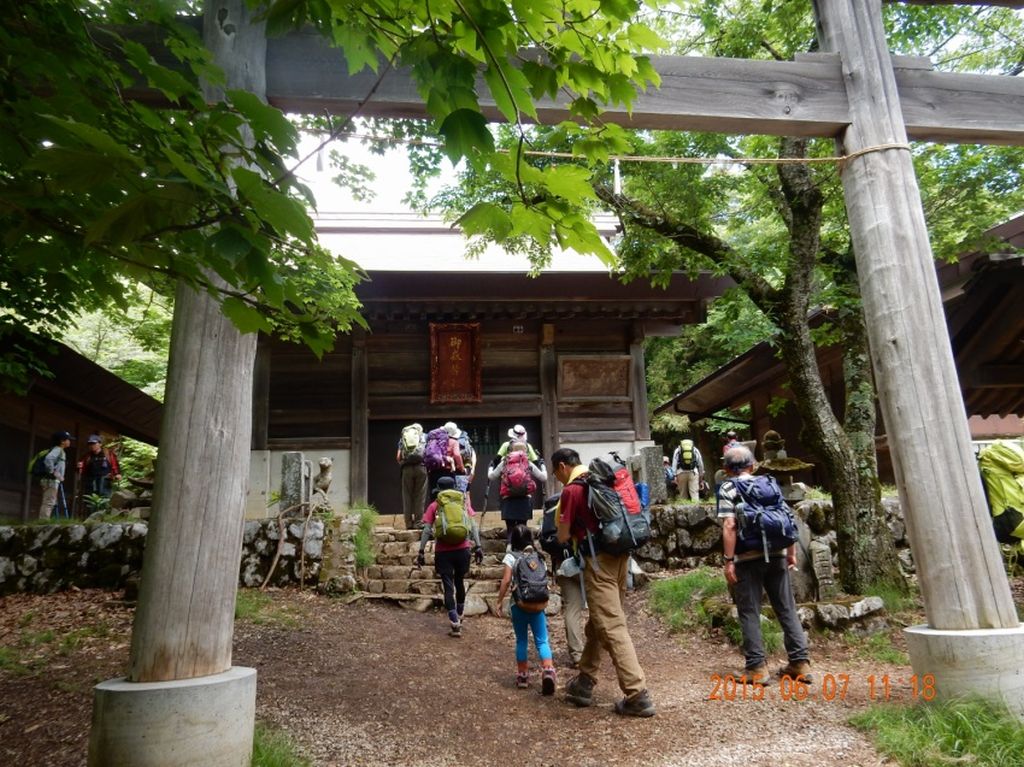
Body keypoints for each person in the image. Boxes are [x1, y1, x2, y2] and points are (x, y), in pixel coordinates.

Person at [551, 447, 656, 717]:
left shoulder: (573, 490)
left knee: (611, 625)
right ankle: (584, 683)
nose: (556, 476)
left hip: (598, 564)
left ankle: (637, 694)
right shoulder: (603, 481)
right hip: (621, 557)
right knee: (600, 621)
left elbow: (562, 536)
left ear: (562, 466)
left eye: (555, 471)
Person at [718, 445, 811, 683]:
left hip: (747, 558)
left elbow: (729, 526)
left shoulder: (728, 487)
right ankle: (800, 663)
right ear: (753, 465)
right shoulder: (768, 483)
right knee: (786, 607)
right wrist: (790, 552)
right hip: (778, 553)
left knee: (749, 611)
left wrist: (729, 561)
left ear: (727, 469)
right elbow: (787, 518)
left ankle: (756, 668)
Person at [417, 476, 483, 637]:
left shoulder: (435, 505)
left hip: (443, 551)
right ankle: (460, 614)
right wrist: (479, 546)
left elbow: (426, 530)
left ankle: (454, 622)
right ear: (454, 487)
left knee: (448, 585)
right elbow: (473, 526)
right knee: (459, 581)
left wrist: (421, 550)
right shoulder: (463, 503)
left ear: (438, 489)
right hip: (463, 549)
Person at [495, 524, 557, 694]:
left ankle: (523, 675)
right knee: (542, 640)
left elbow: (506, 581)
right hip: (538, 604)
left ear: (513, 540)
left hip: (519, 604)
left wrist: (499, 601)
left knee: (521, 640)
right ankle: (548, 670)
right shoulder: (539, 557)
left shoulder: (511, 557)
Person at [544, 494, 585, 668]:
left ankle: (577, 655)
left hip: (564, 565)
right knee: (600, 604)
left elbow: (547, 541)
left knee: (572, 608)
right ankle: (597, 650)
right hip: (587, 561)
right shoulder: (577, 504)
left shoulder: (550, 515)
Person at [488, 441, 547, 545]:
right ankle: (523, 550)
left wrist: (490, 467)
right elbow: (543, 477)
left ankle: (510, 551)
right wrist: (542, 465)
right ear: (525, 450)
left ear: (510, 450)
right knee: (522, 527)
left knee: (510, 528)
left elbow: (491, 477)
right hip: (525, 499)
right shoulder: (528, 463)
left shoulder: (505, 462)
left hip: (508, 499)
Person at [78, 434, 121, 513]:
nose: (92, 446)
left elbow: (114, 465)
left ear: (100, 444)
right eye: (90, 444)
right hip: (91, 482)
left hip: (105, 480)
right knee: (91, 501)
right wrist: (79, 467)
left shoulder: (108, 454)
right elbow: (81, 469)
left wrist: (117, 474)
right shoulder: (87, 456)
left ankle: (103, 517)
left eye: (94, 443)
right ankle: (91, 518)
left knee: (105, 499)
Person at [396, 423, 428, 529]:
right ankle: (418, 522)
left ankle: (408, 523)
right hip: (421, 468)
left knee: (407, 496)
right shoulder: (424, 436)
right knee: (420, 496)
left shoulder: (403, 438)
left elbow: (398, 457)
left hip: (407, 468)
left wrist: (403, 464)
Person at [39, 431, 73, 520]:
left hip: (50, 480)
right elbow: (48, 459)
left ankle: (45, 520)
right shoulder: (58, 450)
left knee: (50, 500)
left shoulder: (58, 450)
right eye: (68, 440)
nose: (69, 441)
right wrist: (54, 472)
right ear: (62, 441)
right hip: (51, 480)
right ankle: (43, 522)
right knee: (49, 501)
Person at [672, 436, 705, 502]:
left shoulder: (678, 450)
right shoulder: (695, 450)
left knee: (683, 494)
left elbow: (674, 463)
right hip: (693, 473)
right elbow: (700, 463)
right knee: (694, 493)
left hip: (681, 473)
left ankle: (684, 510)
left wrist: (674, 475)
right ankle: (696, 509)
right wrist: (701, 475)